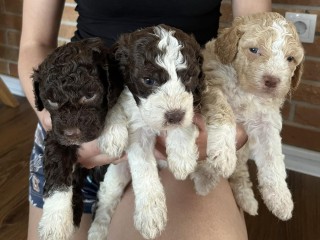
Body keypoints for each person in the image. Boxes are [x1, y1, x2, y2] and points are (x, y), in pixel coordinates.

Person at [18, 0, 271, 239]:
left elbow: (257, 46)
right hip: (73, 120)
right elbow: (34, 43)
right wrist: (57, 122)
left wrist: (236, 127)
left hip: (180, 130)